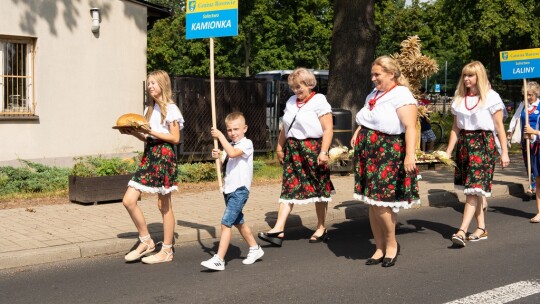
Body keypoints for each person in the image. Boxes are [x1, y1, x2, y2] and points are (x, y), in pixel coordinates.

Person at [350, 56, 419, 268]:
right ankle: (379, 247)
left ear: (391, 74)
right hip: (369, 153)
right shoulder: (375, 94)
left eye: (377, 74)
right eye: (372, 74)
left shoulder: (401, 95)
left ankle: (391, 244)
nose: (373, 78)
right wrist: (358, 131)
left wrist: (410, 155)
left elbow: (410, 127)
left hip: (388, 152)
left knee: (382, 203)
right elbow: (368, 117)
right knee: (371, 202)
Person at [258, 68, 334, 246]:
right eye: (293, 87)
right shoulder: (291, 101)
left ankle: (321, 227)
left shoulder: (319, 100)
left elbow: (328, 129)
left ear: (309, 84)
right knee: (288, 187)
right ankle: (278, 229)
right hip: (293, 149)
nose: (296, 91)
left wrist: (323, 152)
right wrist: (279, 146)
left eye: (299, 87)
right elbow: (285, 126)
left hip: (313, 149)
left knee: (319, 189)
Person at [121, 70, 184, 264]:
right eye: (148, 84)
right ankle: (146, 241)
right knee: (129, 200)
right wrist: (133, 133)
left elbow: (175, 138)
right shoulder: (150, 110)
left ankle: (166, 250)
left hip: (164, 155)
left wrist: (152, 132)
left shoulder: (170, 109)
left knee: (163, 205)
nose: (150, 87)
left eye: (153, 83)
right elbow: (149, 136)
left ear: (163, 85)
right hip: (150, 154)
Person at [446, 61, 510, 248]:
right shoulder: (459, 98)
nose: (466, 79)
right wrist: (448, 151)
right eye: (465, 75)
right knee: (475, 188)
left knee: (473, 190)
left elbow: (499, 127)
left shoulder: (491, 97)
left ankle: (461, 231)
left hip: (483, 144)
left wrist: (504, 152)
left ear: (479, 77)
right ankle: (481, 228)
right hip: (465, 144)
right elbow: (455, 128)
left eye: (471, 75)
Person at [200, 112, 264, 271]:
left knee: (226, 222)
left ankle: (219, 259)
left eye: (236, 129)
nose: (233, 133)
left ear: (245, 128)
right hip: (228, 189)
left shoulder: (246, 143)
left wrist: (220, 136)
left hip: (240, 190)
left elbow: (233, 153)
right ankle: (255, 249)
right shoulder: (229, 145)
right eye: (229, 130)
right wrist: (218, 156)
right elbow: (227, 159)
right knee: (237, 221)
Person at [507, 81, 540, 196]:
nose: (528, 97)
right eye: (526, 94)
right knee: (528, 163)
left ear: (536, 94)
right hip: (525, 140)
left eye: (531, 95)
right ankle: (532, 185)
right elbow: (516, 117)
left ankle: (537, 185)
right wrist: (510, 131)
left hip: (538, 141)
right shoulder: (523, 105)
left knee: (537, 164)